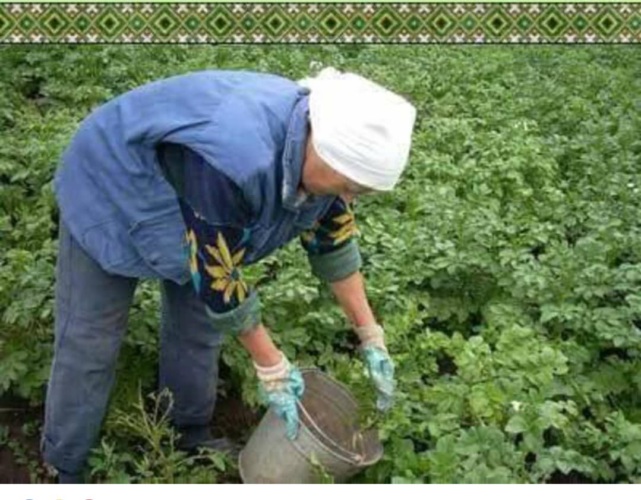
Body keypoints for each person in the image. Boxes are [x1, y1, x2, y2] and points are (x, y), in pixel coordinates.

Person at [42, 66, 416, 483]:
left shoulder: (327, 161)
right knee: (91, 338)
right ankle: (66, 462)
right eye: (349, 185)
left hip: (198, 206)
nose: (348, 197)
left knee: (198, 327)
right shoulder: (234, 159)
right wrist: (272, 366)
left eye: (359, 191)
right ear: (323, 148)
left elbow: (335, 244)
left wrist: (370, 334)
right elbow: (217, 274)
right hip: (112, 183)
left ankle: (186, 430)